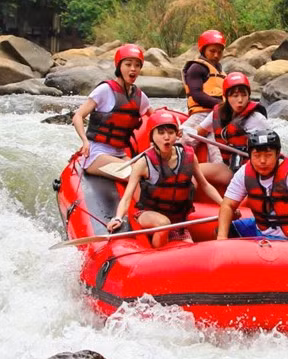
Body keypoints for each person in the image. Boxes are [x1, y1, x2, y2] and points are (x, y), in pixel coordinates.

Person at [107, 110, 224, 249]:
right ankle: (155, 253)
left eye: (170, 132)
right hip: (148, 215)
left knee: (190, 253)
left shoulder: (189, 157)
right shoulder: (143, 163)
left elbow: (205, 185)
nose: (166, 137)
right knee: (163, 223)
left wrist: (225, 205)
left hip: (178, 221)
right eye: (161, 133)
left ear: (177, 134)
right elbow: (127, 197)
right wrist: (118, 218)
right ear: (152, 136)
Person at [216, 129, 288, 251]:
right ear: (250, 155)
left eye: (268, 155)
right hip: (262, 231)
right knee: (224, 230)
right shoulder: (244, 174)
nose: (262, 161)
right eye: (257, 156)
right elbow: (228, 205)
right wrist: (222, 238)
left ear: (278, 154)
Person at [72, 43, 153, 177]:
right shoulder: (105, 90)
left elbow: (156, 118)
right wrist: (85, 141)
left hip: (120, 154)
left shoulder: (140, 97)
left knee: (151, 175)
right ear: (119, 66)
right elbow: (78, 116)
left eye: (137, 65)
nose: (133, 69)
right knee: (138, 173)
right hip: (97, 154)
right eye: (128, 64)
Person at [190, 71, 270, 188]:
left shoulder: (257, 119)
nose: (240, 100)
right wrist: (183, 132)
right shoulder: (217, 114)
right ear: (226, 97)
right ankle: (187, 204)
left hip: (254, 172)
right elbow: (197, 131)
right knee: (193, 171)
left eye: (244, 95)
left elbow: (270, 152)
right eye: (235, 95)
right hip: (230, 168)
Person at [181, 30, 227, 162]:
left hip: (218, 116)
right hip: (201, 114)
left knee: (217, 151)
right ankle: (173, 165)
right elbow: (197, 95)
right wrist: (222, 106)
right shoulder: (196, 68)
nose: (216, 55)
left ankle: (219, 174)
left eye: (219, 52)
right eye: (212, 51)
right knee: (183, 141)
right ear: (203, 50)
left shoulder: (221, 71)